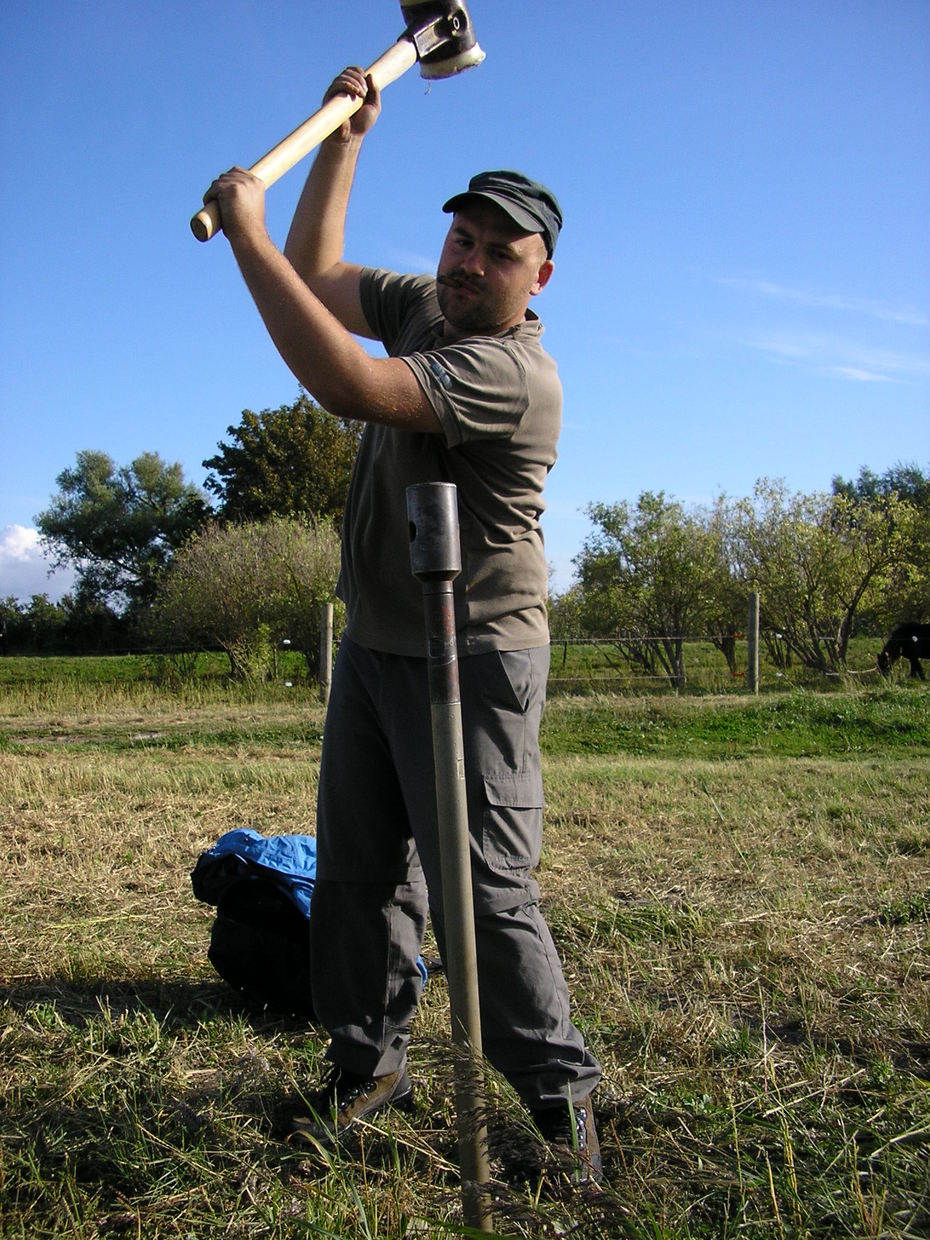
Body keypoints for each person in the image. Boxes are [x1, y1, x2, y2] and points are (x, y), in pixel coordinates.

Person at [204, 67, 602, 1180]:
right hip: (380, 640)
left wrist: (245, 238)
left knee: (484, 893)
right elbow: (326, 274)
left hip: (473, 657)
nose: (468, 260)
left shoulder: (513, 373)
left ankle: (561, 1110)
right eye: (462, 238)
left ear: (540, 276)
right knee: (360, 875)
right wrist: (348, 140)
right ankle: (367, 1062)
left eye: (498, 250)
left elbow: (349, 384)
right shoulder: (432, 307)